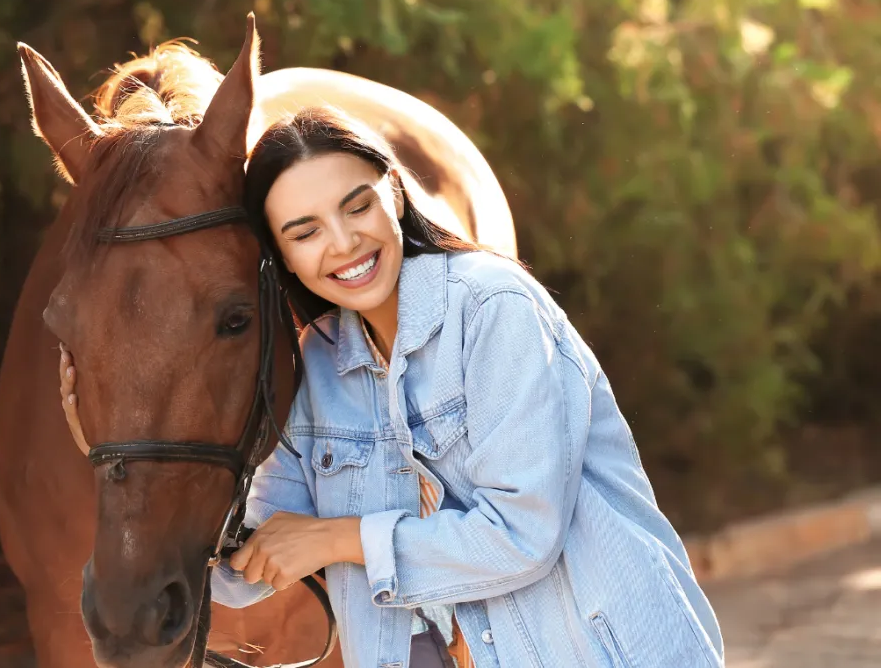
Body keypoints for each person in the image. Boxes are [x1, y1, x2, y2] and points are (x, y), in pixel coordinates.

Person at [58, 107, 724, 668]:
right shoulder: (317, 366)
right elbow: (247, 567)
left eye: (357, 206)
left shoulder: (495, 309)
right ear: (280, 256)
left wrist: (334, 539)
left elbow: (524, 536)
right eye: (305, 231)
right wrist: (140, 476)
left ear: (395, 194)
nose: (344, 244)